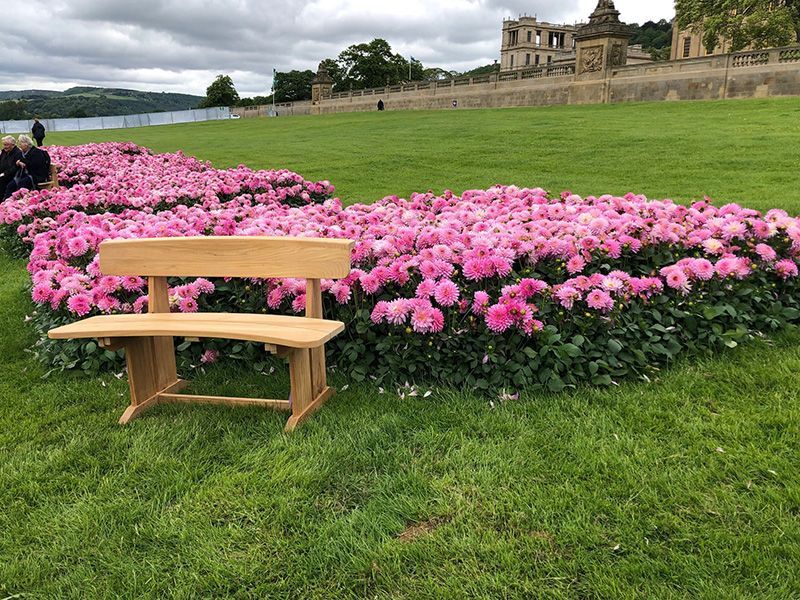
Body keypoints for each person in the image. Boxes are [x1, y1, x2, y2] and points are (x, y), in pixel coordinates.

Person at [3, 135, 50, 199]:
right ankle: (7, 202)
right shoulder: (23, 153)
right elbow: (20, 162)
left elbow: (34, 165)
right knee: (11, 185)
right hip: (27, 174)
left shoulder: (36, 152)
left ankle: (20, 201)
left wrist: (22, 161)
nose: (19, 146)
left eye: (21, 144)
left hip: (37, 176)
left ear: (26, 144)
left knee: (22, 183)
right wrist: (20, 162)